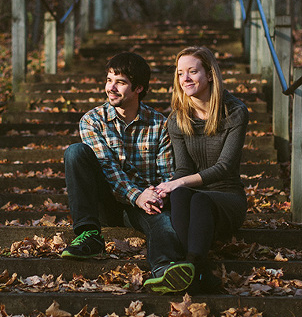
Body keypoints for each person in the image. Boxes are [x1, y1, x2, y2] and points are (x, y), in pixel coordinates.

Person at [61, 52, 193, 293]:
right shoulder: (92, 120)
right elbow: (107, 168)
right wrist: (137, 194)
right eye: (109, 79)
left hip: (141, 203)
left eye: (120, 82)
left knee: (163, 219)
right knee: (75, 152)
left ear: (139, 88)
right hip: (104, 200)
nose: (111, 88)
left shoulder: (159, 124)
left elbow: (165, 173)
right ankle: (89, 235)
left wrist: (154, 195)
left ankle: (165, 268)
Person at [154, 46, 249, 293]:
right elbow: (183, 168)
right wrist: (169, 187)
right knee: (181, 194)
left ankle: (193, 265)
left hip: (227, 198)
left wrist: (180, 183)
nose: (185, 79)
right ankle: (200, 271)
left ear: (209, 75)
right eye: (180, 73)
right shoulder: (177, 118)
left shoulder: (235, 111)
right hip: (194, 200)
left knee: (198, 199)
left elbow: (225, 167)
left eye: (192, 72)